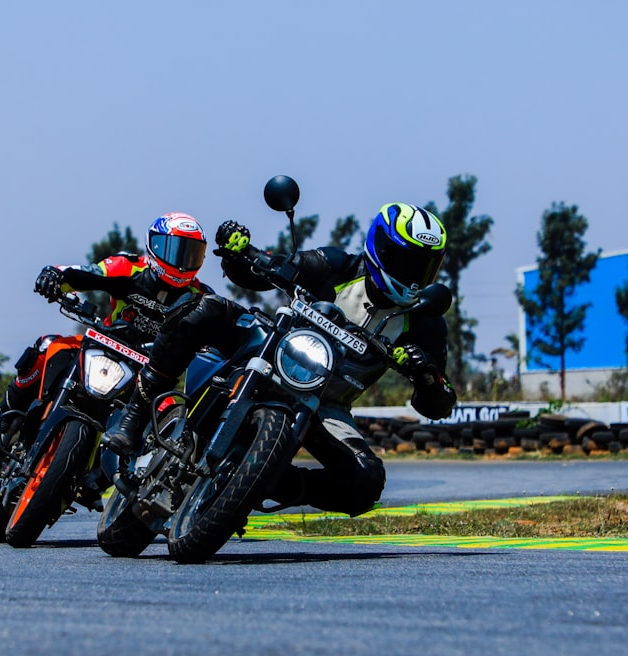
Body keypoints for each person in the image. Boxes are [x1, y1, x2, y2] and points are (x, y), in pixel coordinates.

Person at [102, 203, 457, 517]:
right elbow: (270, 270)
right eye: (405, 261)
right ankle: (134, 416)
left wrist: (425, 375)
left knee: (367, 481)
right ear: (379, 247)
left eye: (424, 267)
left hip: (326, 404)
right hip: (270, 351)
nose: (413, 276)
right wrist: (237, 252)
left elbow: (439, 405)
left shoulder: (424, 323)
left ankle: (267, 481)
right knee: (206, 309)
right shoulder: (337, 266)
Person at [0, 212, 214, 461]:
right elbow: (83, 273)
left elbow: (216, 336)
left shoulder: (199, 297)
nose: (181, 261)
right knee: (48, 346)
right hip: (105, 346)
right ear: (153, 245)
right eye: (174, 249)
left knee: (170, 413)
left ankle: (121, 484)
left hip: (148, 375)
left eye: (191, 253)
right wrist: (55, 277)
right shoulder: (128, 267)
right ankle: (3, 421)